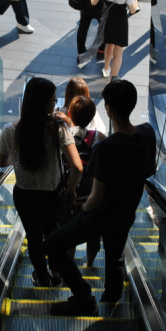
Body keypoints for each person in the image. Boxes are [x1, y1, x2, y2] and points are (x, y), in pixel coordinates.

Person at [44, 80, 157, 315]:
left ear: (108, 109)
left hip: (101, 215)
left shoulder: (106, 147)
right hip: (126, 212)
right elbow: (149, 170)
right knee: (114, 256)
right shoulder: (147, 133)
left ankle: (83, 295)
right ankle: (111, 298)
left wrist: (83, 211)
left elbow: (95, 197)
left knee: (53, 244)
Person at [0, 77, 83, 287]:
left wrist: (17, 159)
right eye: (53, 100)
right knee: (52, 233)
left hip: (25, 195)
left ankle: (42, 277)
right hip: (52, 195)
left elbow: (1, 162)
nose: (55, 103)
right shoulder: (57, 128)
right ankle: (56, 274)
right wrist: (71, 190)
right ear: (44, 102)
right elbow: (78, 167)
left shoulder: (9, 130)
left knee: (34, 238)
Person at [64, 95, 106, 267]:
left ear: (70, 115)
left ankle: (70, 263)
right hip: (92, 196)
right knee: (93, 232)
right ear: (91, 117)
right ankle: (89, 263)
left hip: (68, 193)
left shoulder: (63, 135)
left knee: (68, 230)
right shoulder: (100, 137)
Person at [90, 0, 139, 79]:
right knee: (118, 54)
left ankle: (106, 69)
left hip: (108, 21)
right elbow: (133, 10)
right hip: (121, 23)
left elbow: (93, 2)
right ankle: (113, 80)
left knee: (109, 44)